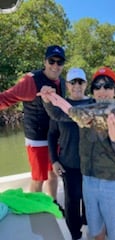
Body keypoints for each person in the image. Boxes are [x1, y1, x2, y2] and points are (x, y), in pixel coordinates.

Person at [39, 67, 115, 240]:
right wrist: (47, 98)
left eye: (108, 86)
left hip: (112, 184)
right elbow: (60, 112)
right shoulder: (86, 112)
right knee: (95, 232)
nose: (102, 91)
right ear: (93, 91)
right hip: (88, 181)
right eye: (98, 86)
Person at [0, 45, 66, 209]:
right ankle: (34, 208)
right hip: (36, 139)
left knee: (53, 174)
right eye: (52, 61)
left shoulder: (63, 83)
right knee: (39, 177)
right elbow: (6, 98)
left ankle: (52, 203)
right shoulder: (30, 81)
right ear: (45, 61)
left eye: (60, 62)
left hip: (55, 138)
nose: (55, 66)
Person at [44, 68, 94, 240]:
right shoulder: (59, 107)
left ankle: (91, 229)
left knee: (91, 201)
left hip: (92, 165)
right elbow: (51, 134)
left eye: (80, 82)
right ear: (67, 85)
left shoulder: (96, 104)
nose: (77, 86)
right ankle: (75, 235)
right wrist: (54, 160)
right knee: (72, 203)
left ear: (86, 84)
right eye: (73, 82)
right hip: (69, 164)